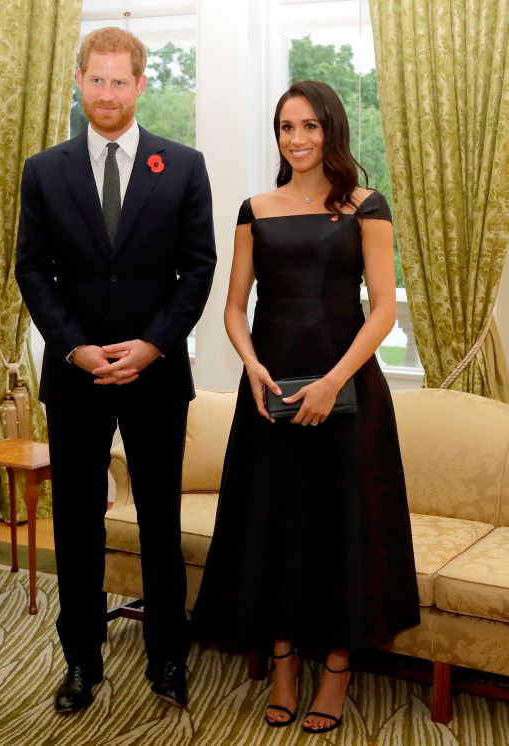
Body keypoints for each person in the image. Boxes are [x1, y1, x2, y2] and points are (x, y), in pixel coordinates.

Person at [191, 80, 420, 734]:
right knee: (276, 525)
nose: (297, 139)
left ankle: (337, 670)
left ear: (331, 131)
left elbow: (380, 311)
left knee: (341, 527)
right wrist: (254, 368)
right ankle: (284, 660)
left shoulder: (364, 206)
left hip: (347, 392)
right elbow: (235, 308)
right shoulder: (254, 208)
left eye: (309, 126)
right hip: (269, 393)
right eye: (286, 127)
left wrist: (329, 381)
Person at [15, 27, 216, 713]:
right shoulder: (43, 170)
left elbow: (199, 270)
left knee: (160, 520)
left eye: (119, 81)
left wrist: (152, 345)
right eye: (95, 80)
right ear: (78, 81)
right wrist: (73, 346)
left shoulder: (182, 166)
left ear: (139, 83)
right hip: (75, 376)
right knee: (76, 523)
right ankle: (80, 662)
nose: (106, 93)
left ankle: (166, 657)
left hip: (155, 375)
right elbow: (31, 271)